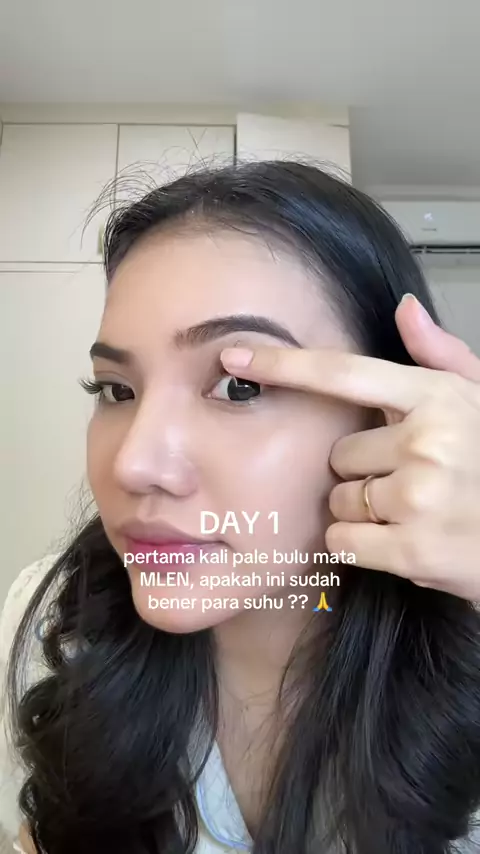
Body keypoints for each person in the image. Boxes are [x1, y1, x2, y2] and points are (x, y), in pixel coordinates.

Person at [1, 161, 480, 854]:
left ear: (388, 416)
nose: (134, 463)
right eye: (116, 390)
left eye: (240, 387)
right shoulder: (53, 620)